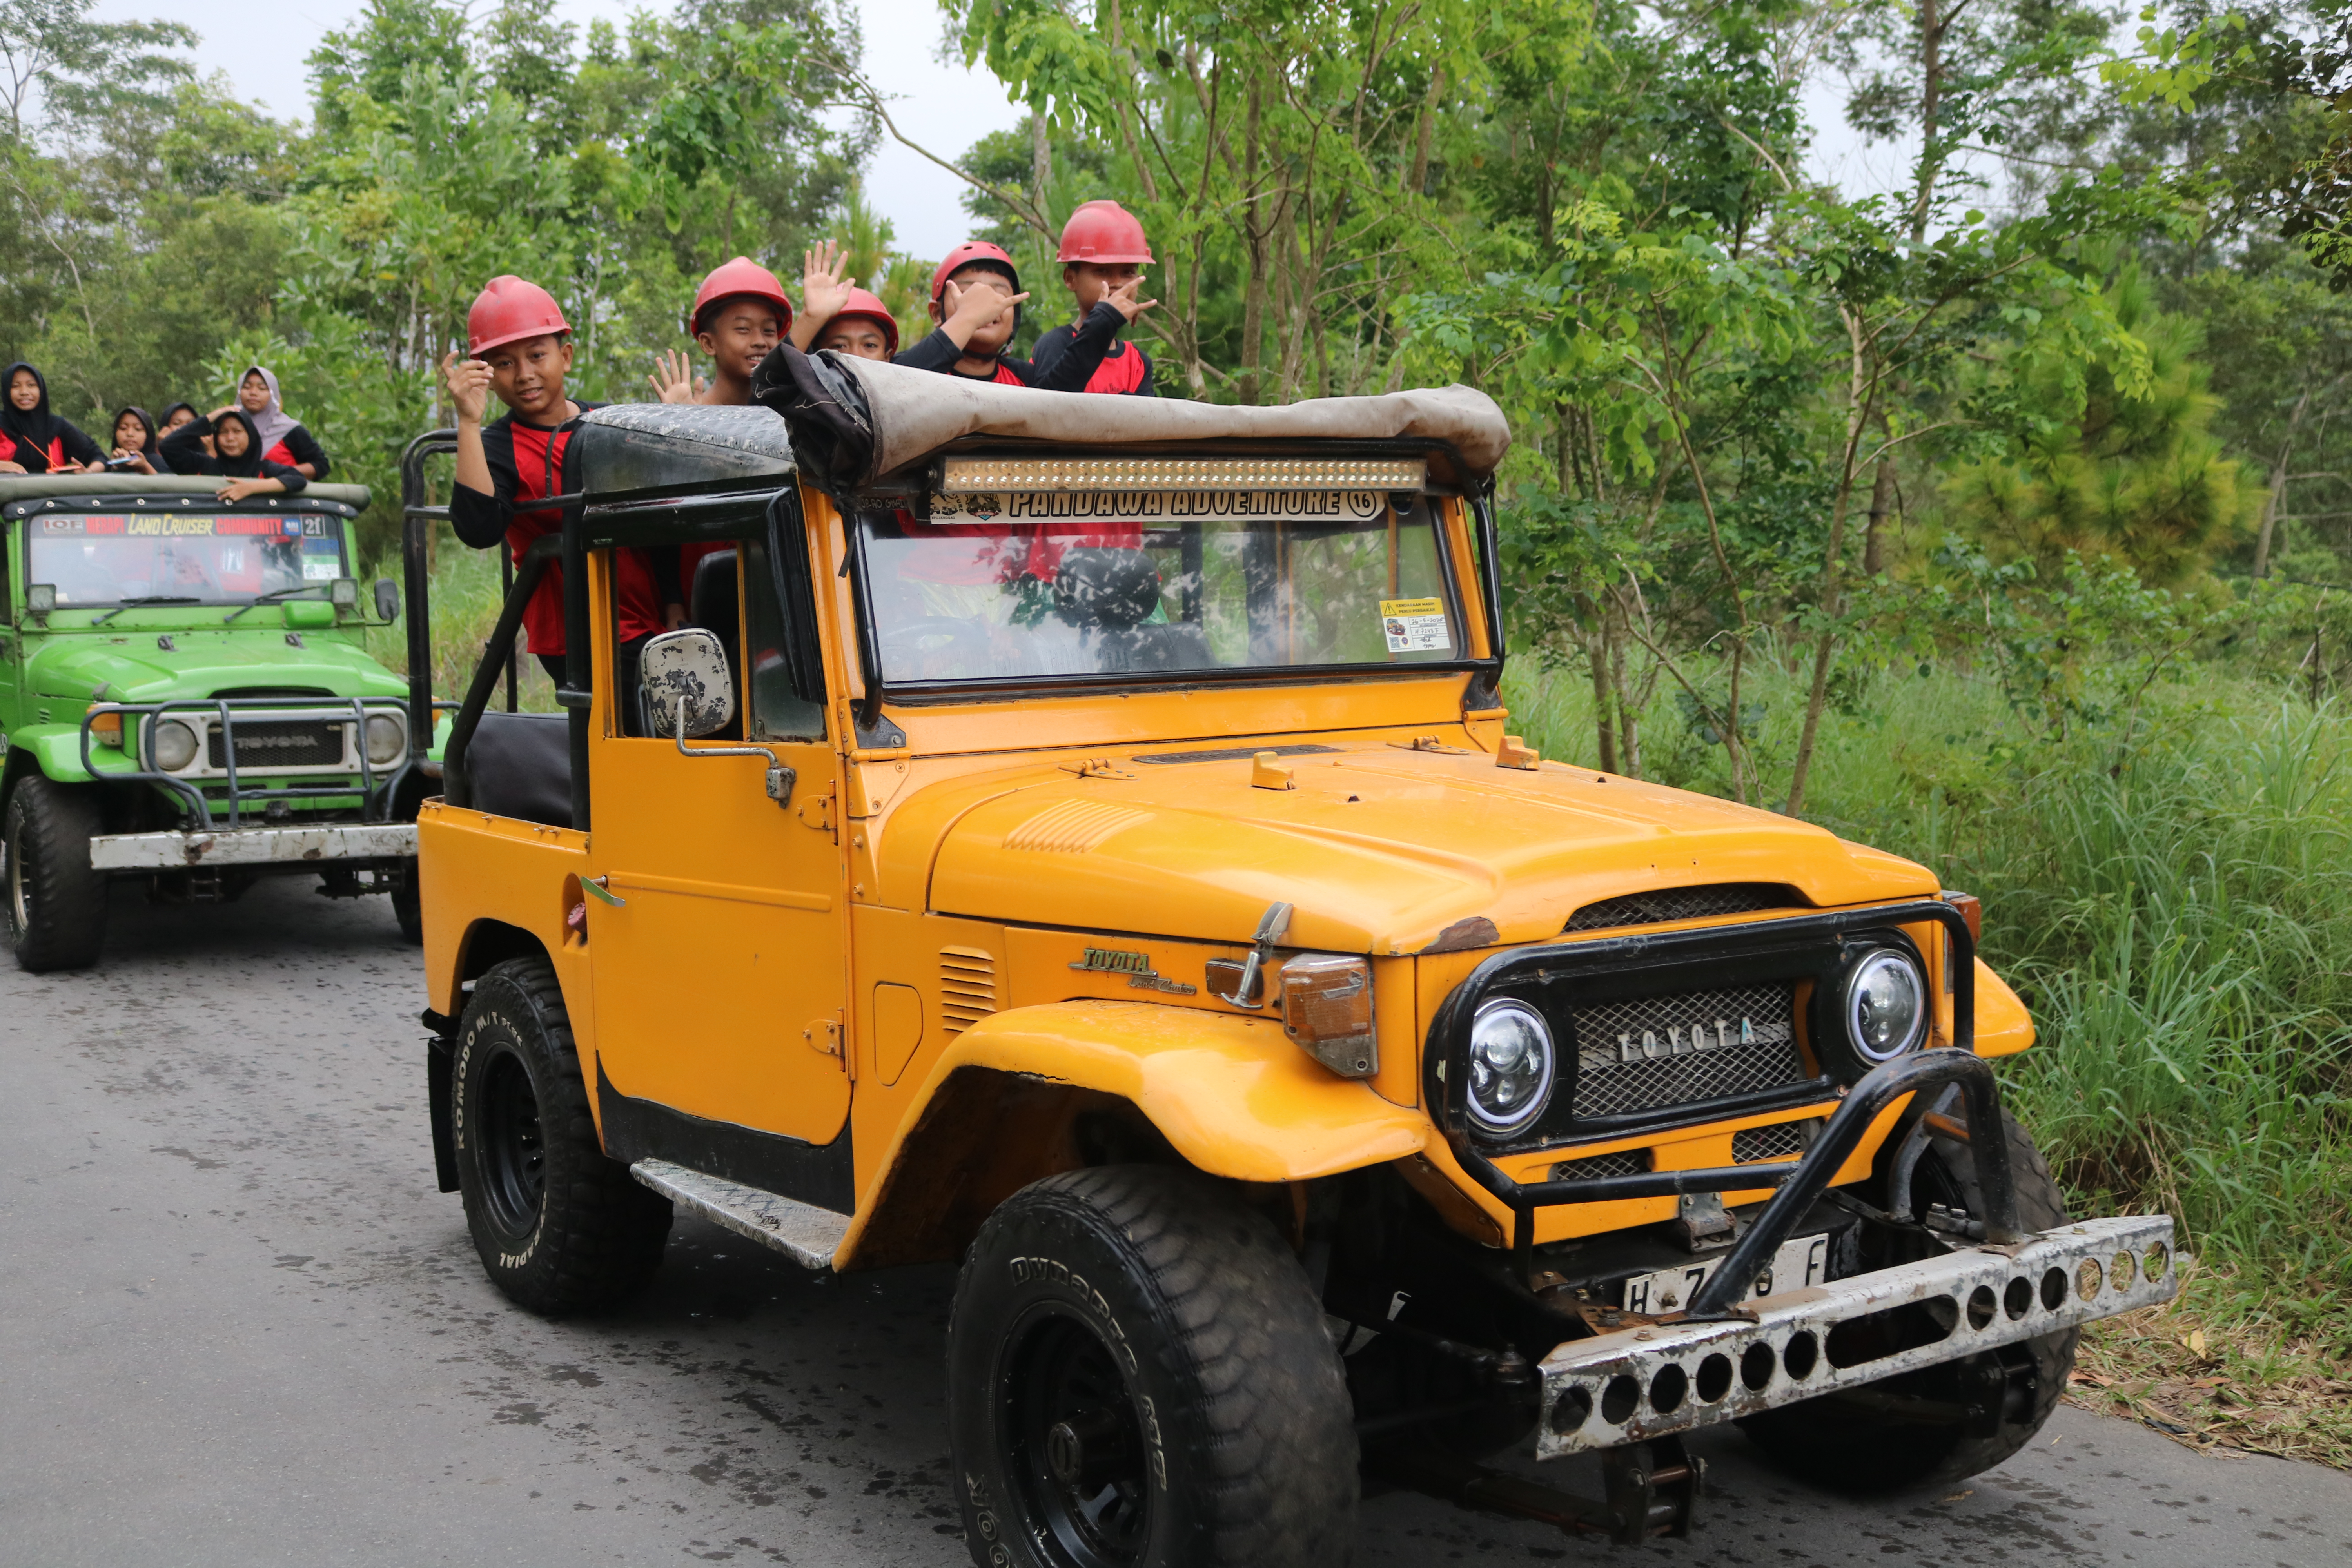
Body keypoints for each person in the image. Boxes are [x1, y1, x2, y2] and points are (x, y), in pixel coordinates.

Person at [442, 275, 669, 706]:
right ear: (488, 375)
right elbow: (479, 529)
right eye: (505, 363)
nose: (525, 374)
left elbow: (658, 515)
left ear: (564, 356)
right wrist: (468, 424)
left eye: (537, 355)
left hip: (648, 614)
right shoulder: (497, 444)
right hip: (576, 631)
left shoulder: (610, 423)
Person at [895, 242, 1131, 389]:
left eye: (998, 294)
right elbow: (894, 386)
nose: (985, 305)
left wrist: (1103, 322)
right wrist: (966, 319)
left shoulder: (1027, 380)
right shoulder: (909, 367)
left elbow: (1060, 400)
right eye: (969, 294)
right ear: (937, 313)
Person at [1031, 201, 1160, 396]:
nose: (1117, 283)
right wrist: (1103, 321)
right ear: (1070, 279)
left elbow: (1146, 424)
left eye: (1128, 272)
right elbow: (1048, 408)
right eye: (1103, 271)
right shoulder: (1055, 344)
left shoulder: (1138, 362)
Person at [649, 256, 793, 408]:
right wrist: (680, 422)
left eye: (769, 331)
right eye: (743, 329)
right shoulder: (693, 412)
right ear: (709, 343)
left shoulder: (789, 415)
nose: (760, 341)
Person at [159, 407, 309, 502]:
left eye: (237, 432)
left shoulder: (264, 468)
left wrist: (250, 488)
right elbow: (168, 446)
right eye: (224, 432)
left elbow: (297, 479)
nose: (230, 438)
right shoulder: (204, 465)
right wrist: (212, 417)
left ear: (251, 436)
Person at [782, 241, 898, 361]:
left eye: (870, 345)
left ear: (887, 358)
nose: (856, 356)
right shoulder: (806, 379)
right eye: (840, 346)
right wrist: (810, 320)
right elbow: (775, 377)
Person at [0, 363, 102, 473]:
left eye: (31, 385)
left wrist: (88, 473)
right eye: (15, 386)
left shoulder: (57, 426)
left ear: (41, 389)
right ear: (6, 391)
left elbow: (99, 457)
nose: (24, 392)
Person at [235, 366, 330, 479]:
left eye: (262, 389)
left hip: (279, 495)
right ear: (239, 392)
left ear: (273, 394)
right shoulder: (227, 427)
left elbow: (321, 466)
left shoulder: (289, 429)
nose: (253, 393)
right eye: (247, 387)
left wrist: (280, 473)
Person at [108, 406, 164, 474]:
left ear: (148, 434)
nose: (130, 434)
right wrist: (113, 467)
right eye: (123, 428)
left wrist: (145, 467)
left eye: (138, 429)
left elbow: (167, 484)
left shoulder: (160, 463)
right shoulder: (108, 463)